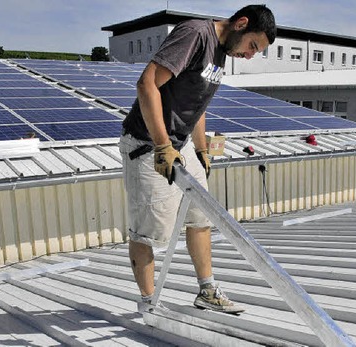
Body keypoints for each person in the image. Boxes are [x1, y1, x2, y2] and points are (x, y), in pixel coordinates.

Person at [119, 4, 276, 314]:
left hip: (182, 144)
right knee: (148, 231)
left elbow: (197, 103)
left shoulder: (221, 52)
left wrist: (202, 149)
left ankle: (206, 289)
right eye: (252, 46)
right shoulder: (195, 34)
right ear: (241, 24)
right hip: (148, 144)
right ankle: (150, 304)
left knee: (201, 216)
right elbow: (146, 84)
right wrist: (163, 146)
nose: (249, 55)